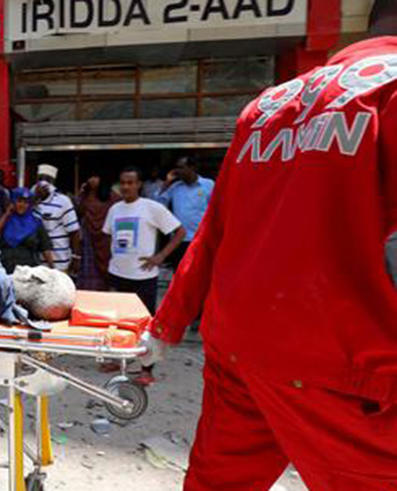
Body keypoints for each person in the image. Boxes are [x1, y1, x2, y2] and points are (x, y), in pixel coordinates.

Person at [146, 37, 397, 489]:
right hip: (344, 355)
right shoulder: (388, 91)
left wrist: (167, 324)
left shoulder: (268, 104)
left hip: (240, 344)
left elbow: (214, 229)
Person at [102, 167, 185, 314]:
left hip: (143, 276)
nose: (125, 187)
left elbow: (180, 232)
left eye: (130, 183)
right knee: (119, 317)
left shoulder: (152, 207)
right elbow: (108, 235)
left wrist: (161, 256)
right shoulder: (114, 209)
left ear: (139, 184)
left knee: (143, 319)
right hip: (117, 275)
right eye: (122, 183)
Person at [154, 156, 214, 271]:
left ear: (192, 168)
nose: (178, 171)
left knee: (201, 272)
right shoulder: (175, 187)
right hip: (179, 241)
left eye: (181, 167)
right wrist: (166, 183)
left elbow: (216, 209)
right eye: (177, 168)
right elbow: (158, 205)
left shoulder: (209, 185)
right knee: (179, 273)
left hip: (200, 240)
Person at [0, 187, 54, 274]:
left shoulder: (36, 223)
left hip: (29, 271)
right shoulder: (5, 220)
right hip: (6, 269)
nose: (22, 205)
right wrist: (7, 214)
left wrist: (52, 269)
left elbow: (45, 247)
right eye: (19, 201)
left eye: (26, 202)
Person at [32, 164, 81, 274]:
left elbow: (74, 232)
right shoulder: (30, 200)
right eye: (40, 179)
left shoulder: (63, 201)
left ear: (53, 183)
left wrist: (76, 257)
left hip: (59, 262)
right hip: (36, 263)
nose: (43, 182)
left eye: (47, 179)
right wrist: (35, 199)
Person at [78, 175, 120, 290]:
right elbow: (79, 210)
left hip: (105, 239)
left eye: (95, 177)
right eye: (90, 176)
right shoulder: (87, 195)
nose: (91, 179)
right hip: (89, 241)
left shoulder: (113, 197)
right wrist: (82, 192)